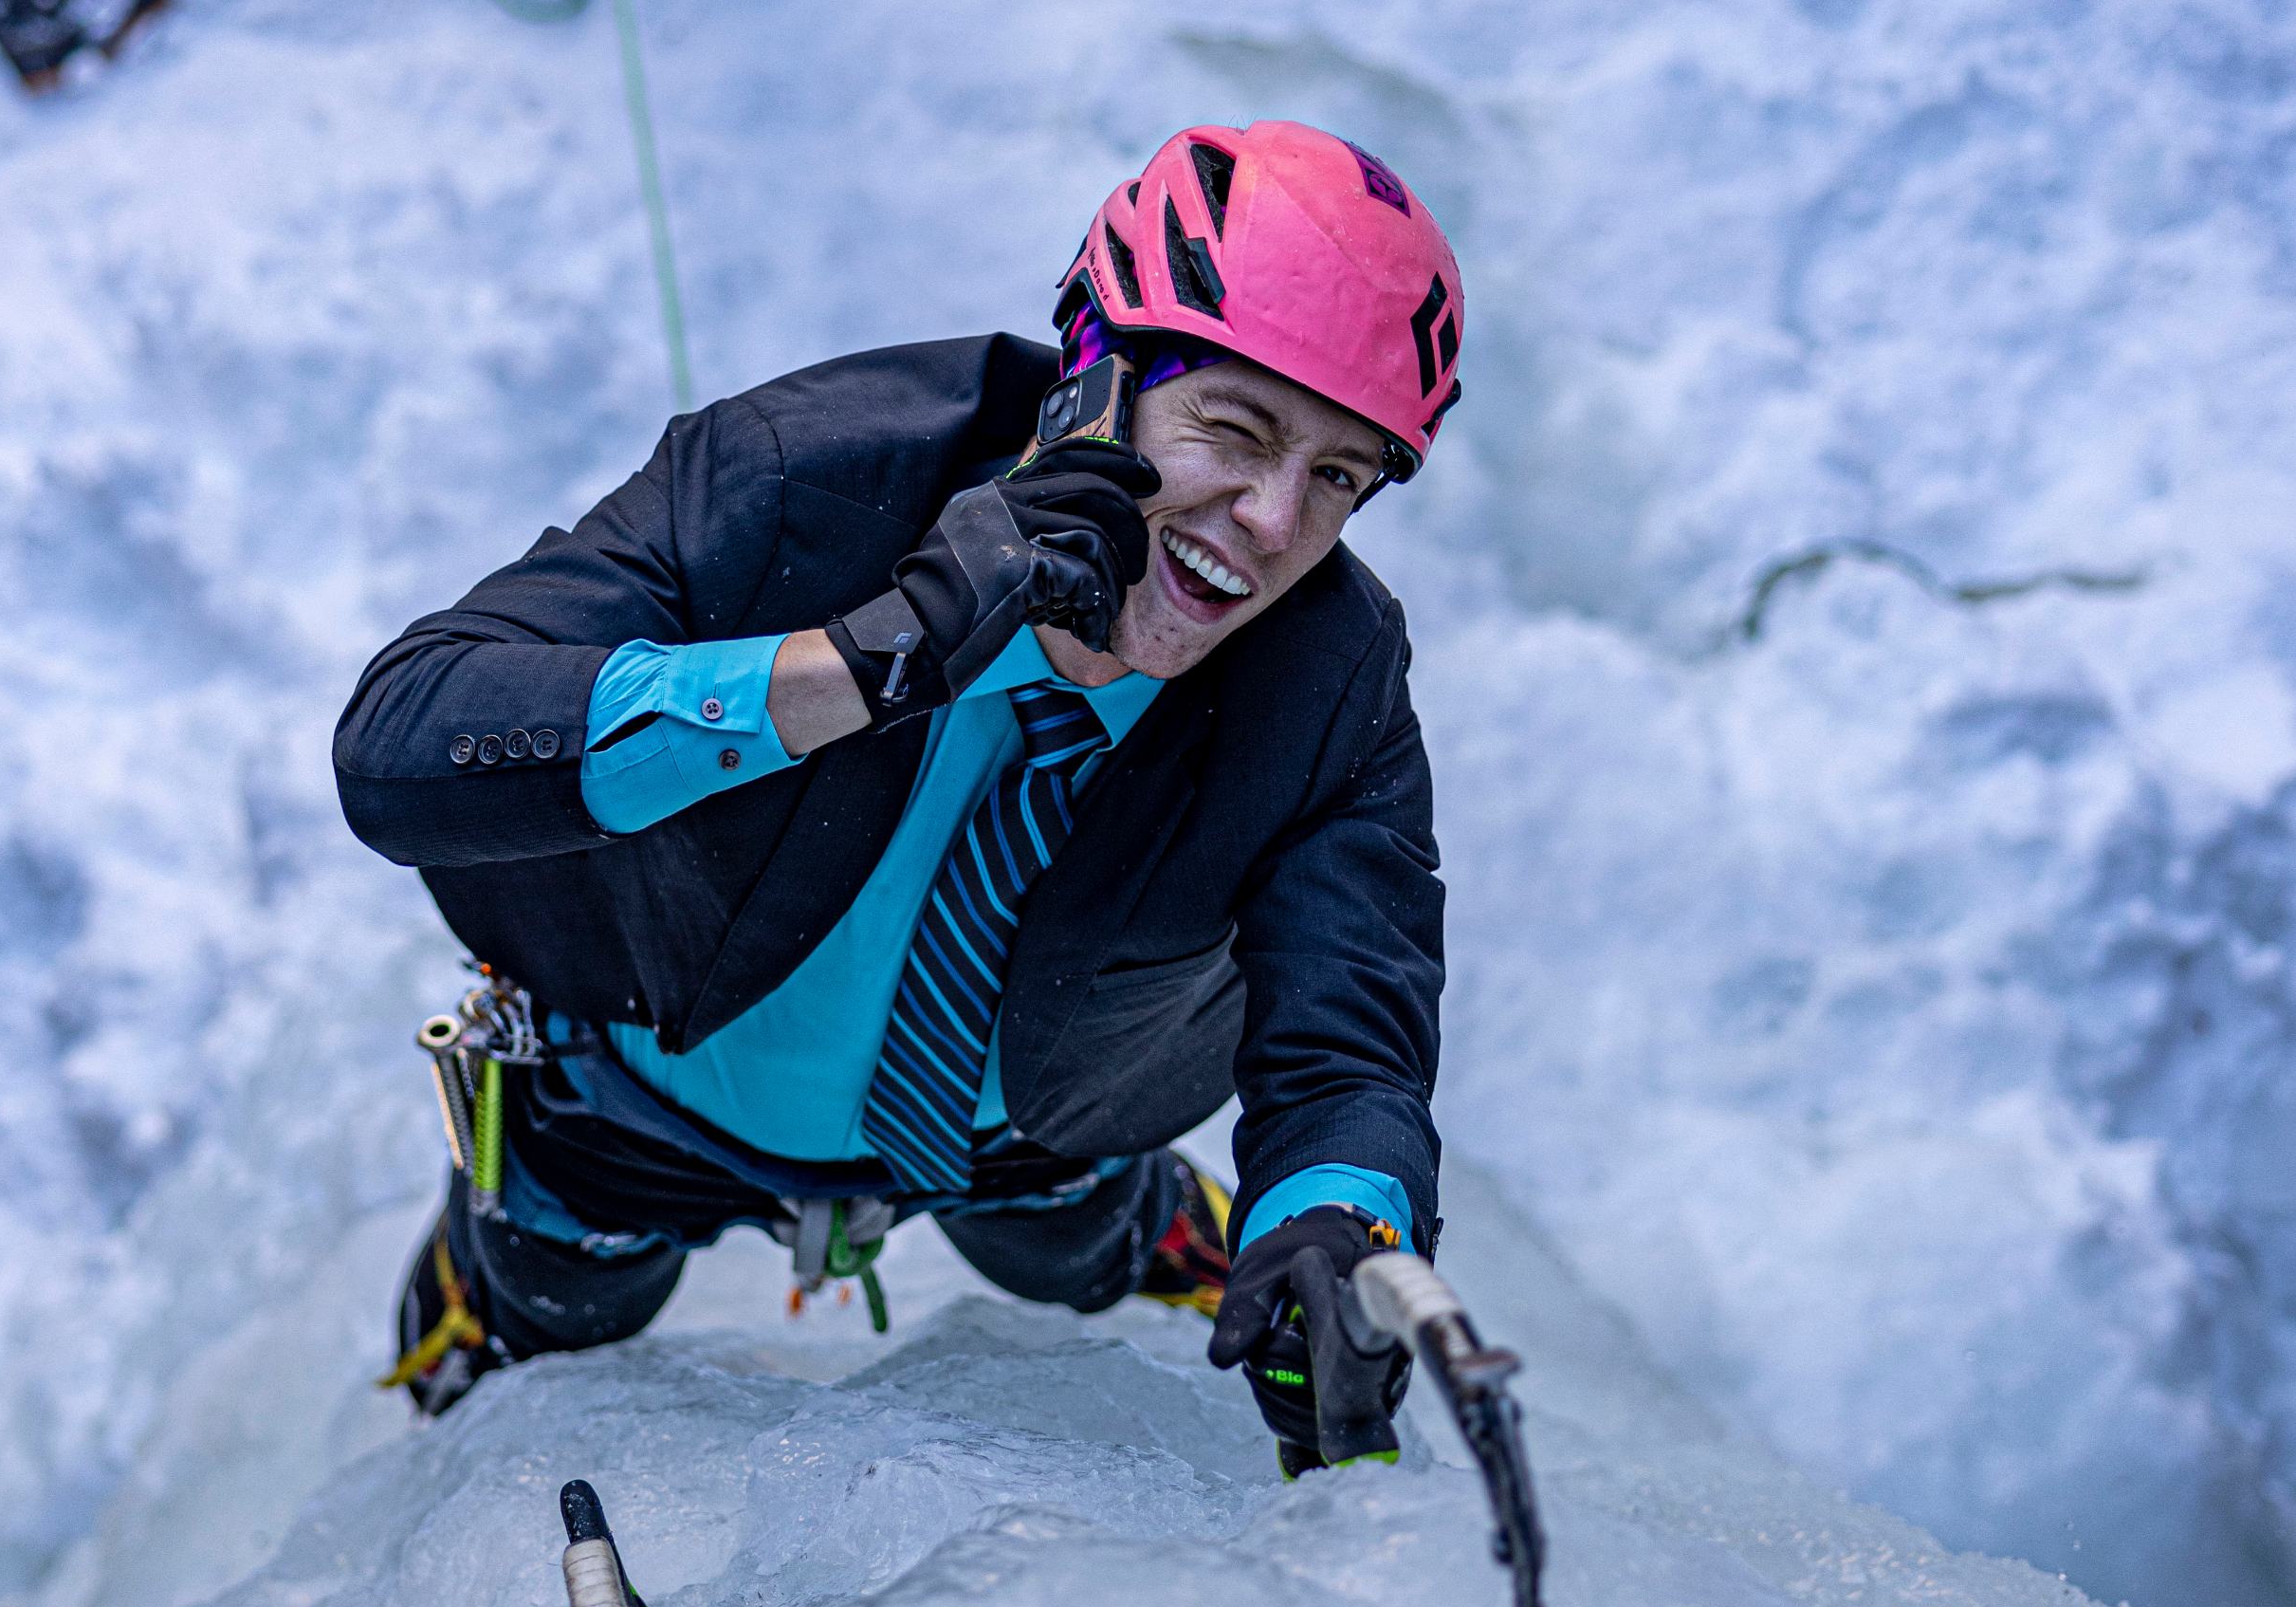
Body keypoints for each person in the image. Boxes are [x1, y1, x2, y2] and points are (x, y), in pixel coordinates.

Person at [333, 122, 1465, 1473]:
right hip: (634, 1106)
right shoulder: (803, 481)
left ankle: (1141, 1213)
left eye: (1337, 476)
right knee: (549, 1305)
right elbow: (404, 744)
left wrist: (1340, 1217)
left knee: (1074, 1242)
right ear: (1093, 382)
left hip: (1035, 1144)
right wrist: (856, 663)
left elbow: (1350, 1033)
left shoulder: (1331, 677)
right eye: (1236, 430)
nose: (1274, 522)